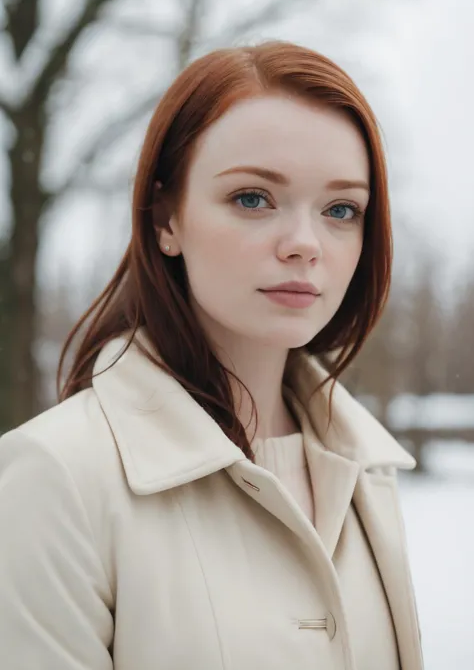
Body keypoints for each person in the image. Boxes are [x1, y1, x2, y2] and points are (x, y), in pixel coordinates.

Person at [0, 41, 424, 670]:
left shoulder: (362, 469)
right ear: (166, 218)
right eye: (253, 198)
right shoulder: (56, 476)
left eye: (341, 209)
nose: (305, 244)